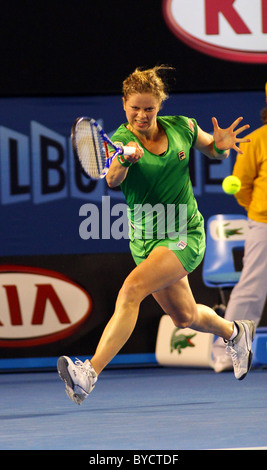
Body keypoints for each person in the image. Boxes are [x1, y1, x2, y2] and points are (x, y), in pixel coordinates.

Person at [57, 65, 255, 405]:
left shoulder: (183, 127)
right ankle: (236, 332)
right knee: (185, 317)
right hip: (145, 241)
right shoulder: (120, 140)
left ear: (159, 106)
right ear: (124, 105)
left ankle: (89, 372)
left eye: (149, 108)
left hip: (184, 233)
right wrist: (126, 159)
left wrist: (221, 147)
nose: (141, 115)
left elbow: (214, 150)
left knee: (131, 289)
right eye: (135, 108)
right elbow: (112, 179)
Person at [212, 84, 267, 373]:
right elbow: (242, 186)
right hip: (264, 223)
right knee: (251, 291)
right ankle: (224, 352)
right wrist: (260, 210)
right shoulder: (256, 140)